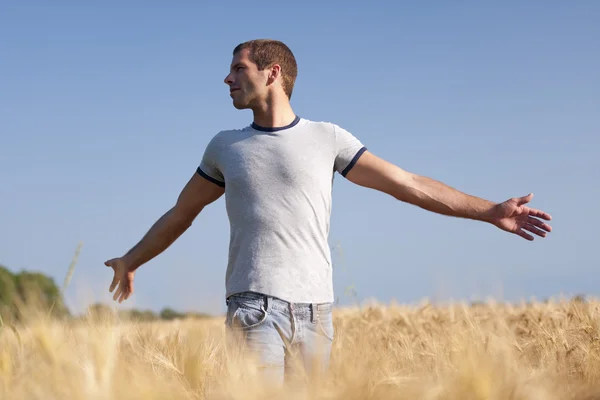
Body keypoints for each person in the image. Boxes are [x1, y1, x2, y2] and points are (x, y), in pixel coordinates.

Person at [104, 39, 552, 385]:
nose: (226, 79)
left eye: (238, 68)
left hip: (317, 312)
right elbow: (182, 212)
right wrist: (131, 259)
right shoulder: (225, 147)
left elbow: (407, 184)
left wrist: (489, 210)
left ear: (272, 72)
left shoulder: (328, 138)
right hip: (254, 307)